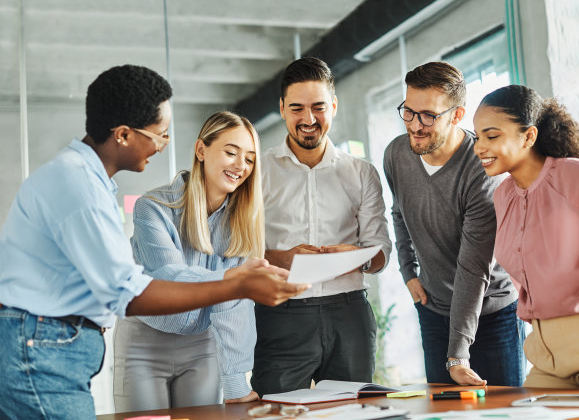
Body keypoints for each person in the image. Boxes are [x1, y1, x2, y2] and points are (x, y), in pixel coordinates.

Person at [0, 65, 308, 420]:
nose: (162, 146)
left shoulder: (87, 182)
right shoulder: (82, 186)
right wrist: (235, 283)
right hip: (42, 348)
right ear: (123, 135)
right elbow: (129, 292)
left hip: (53, 345)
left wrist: (236, 368)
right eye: (160, 135)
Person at [250, 57, 392, 396]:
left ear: (334, 106)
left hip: (350, 316)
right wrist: (282, 258)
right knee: (276, 412)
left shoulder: (361, 172)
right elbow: (237, 247)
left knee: (352, 413)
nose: (308, 119)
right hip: (281, 314)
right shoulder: (257, 171)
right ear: (282, 109)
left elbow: (382, 251)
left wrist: (356, 256)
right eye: (297, 108)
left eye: (318, 107)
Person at [383, 62, 525, 387]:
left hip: (492, 312)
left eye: (428, 116)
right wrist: (408, 271)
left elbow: (473, 268)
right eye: (408, 111)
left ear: (457, 115)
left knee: (503, 411)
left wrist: (458, 354)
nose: (415, 126)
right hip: (434, 309)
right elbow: (399, 212)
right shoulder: (396, 154)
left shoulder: (482, 171)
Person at [113, 111, 264, 411]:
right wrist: (235, 281)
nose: (240, 165)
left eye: (249, 159)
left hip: (202, 346)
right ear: (201, 150)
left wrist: (235, 383)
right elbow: (171, 277)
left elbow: (233, 304)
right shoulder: (152, 208)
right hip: (144, 342)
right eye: (231, 152)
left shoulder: (243, 221)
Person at [473, 84, 579, 389]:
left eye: (492, 136)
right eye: (478, 136)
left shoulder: (577, 177)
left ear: (529, 136)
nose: (479, 147)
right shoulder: (504, 196)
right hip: (545, 353)